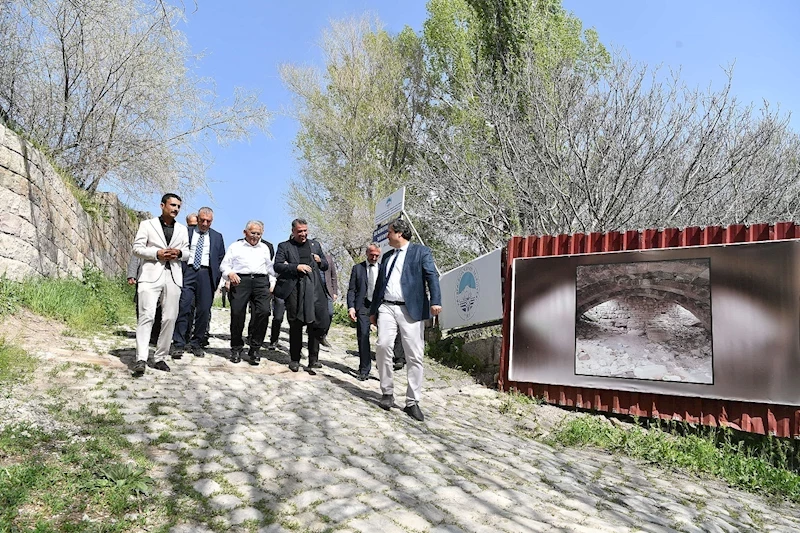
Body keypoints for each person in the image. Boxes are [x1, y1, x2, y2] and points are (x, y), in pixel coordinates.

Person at [370, 217, 442, 421]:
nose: (387, 236)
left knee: (414, 355)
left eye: (389, 232)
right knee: (383, 346)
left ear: (399, 234)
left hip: (411, 309)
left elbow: (431, 276)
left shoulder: (420, 252)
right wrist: (374, 311)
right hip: (387, 307)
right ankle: (387, 392)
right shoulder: (387, 257)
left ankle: (412, 401)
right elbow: (379, 286)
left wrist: (435, 300)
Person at [131, 193, 190, 377]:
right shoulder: (147, 225)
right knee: (146, 315)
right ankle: (141, 357)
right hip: (150, 274)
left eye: (178, 206)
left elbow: (188, 253)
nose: (176, 209)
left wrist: (179, 253)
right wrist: (157, 253)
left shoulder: (182, 229)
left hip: (173, 276)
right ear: (162, 205)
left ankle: (160, 357)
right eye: (173, 205)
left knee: (170, 318)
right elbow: (137, 249)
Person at [274, 219, 330, 372]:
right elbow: (277, 266)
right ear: (293, 231)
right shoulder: (284, 246)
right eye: (300, 231)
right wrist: (296, 267)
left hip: (314, 289)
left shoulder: (315, 245)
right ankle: (294, 359)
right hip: (294, 289)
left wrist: (320, 261)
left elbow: (325, 265)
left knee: (315, 323)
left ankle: (313, 360)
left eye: (305, 230)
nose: (303, 234)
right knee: (296, 324)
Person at [171, 207, 225, 358]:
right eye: (202, 220)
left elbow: (221, 258)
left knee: (203, 311)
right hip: (187, 272)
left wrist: (216, 278)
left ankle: (197, 343)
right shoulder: (185, 232)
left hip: (206, 275)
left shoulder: (217, 236)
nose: (205, 224)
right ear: (197, 219)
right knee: (184, 306)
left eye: (208, 221)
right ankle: (178, 343)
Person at [221, 220, 276, 365]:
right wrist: (230, 274)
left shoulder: (265, 248)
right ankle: (236, 348)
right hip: (241, 281)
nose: (255, 236)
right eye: (253, 233)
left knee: (264, 312)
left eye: (258, 233)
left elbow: (270, 267)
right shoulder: (236, 246)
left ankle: (255, 348)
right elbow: (224, 265)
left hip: (260, 281)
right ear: (245, 232)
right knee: (238, 314)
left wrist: (273, 282)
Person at [347, 243, 381, 380]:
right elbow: (351, 290)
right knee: (363, 335)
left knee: (385, 339)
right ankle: (364, 369)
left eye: (377, 255)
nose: (374, 257)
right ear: (367, 253)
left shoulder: (383, 269)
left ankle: (383, 367)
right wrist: (351, 307)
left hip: (380, 306)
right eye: (371, 254)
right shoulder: (358, 269)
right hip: (363, 306)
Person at [127, 253, 161, 346]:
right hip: (143, 274)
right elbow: (136, 254)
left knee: (159, 306)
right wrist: (132, 274)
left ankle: (154, 334)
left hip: (162, 274)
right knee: (141, 304)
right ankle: (142, 332)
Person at [319, 251, 338, 348]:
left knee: (330, 313)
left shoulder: (328, 258)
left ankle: (323, 335)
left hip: (328, 291)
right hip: (315, 291)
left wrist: (334, 292)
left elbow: (333, 276)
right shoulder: (310, 257)